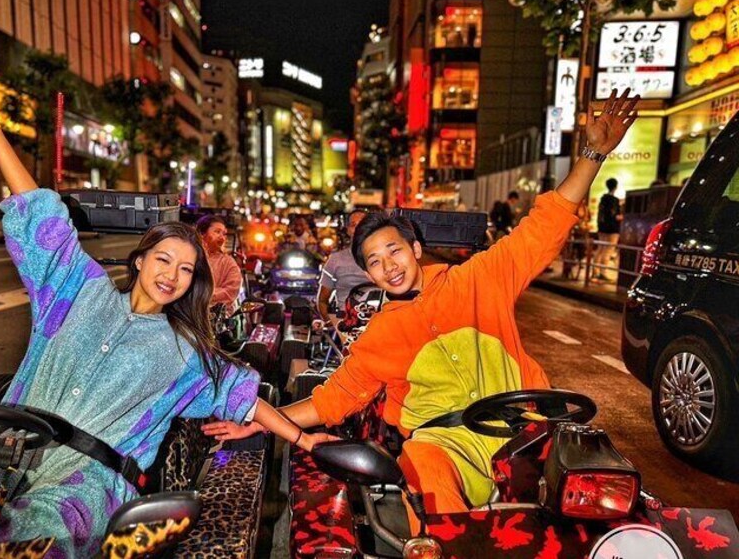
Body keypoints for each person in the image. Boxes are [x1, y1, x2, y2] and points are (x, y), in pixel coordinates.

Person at [203, 89, 640, 534]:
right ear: (368, 274)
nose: (388, 266)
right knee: (423, 462)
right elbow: (330, 402)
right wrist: (257, 424)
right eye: (374, 261)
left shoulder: (477, 278)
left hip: (529, 435)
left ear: (415, 249)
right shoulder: (379, 335)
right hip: (445, 446)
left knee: (607, 488)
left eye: (393, 250)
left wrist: (592, 153)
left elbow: (543, 226)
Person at [0, 93, 332, 557]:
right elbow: (43, 215)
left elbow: (240, 391)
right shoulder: (77, 290)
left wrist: (303, 438)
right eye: (164, 259)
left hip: (85, 487)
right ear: (140, 260)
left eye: (186, 269)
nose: (172, 275)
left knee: (31, 541)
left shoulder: (185, 351)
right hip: (2, 455)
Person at [317, 210, 372, 323]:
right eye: (353, 225)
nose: (358, 228)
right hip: (346, 323)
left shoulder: (385, 258)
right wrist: (333, 326)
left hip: (379, 324)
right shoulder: (335, 260)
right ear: (348, 230)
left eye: (362, 224)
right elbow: (322, 301)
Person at [196, 214, 242, 316]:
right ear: (202, 233)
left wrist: (202, 295)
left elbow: (231, 292)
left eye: (224, 234)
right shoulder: (189, 256)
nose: (222, 237)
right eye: (217, 232)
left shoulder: (228, 263)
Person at [594, 177, 622, 281]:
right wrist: (621, 217)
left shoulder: (603, 198)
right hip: (612, 229)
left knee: (600, 248)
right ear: (615, 186)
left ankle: (594, 271)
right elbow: (614, 215)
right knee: (608, 250)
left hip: (602, 227)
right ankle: (603, 272)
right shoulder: (614, 200)